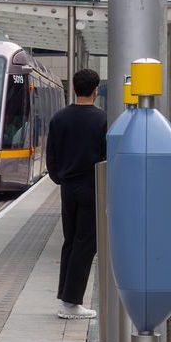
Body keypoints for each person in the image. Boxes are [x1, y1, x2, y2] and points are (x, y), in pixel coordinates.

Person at [46, 68, 108, 320]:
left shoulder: (59, 118)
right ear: (95, 90)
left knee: (70, 241)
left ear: (74, 88)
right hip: (91, 185)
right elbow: (107, 156)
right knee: (86, 243)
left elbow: (52, 158)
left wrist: (61, 178)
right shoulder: (102, 119)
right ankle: (71, 303)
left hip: (68, 188)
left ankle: (65, 296)